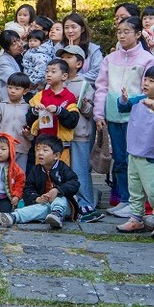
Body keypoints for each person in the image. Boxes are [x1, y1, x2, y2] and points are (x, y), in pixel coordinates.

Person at [92, 16, 154, 218]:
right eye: (119, 31)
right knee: (119, 159)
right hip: (113, 116)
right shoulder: (110, 59)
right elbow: (101, 87)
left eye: (126, 31)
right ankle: (124, 199)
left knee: (135, 160)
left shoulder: (147, 60)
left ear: (138, 34)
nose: (121, 35)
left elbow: (150, 90)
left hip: (136, 117)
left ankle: (137, 201)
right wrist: (99, 113)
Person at [113, 64, 154, 237]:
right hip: (133, 153)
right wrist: (124, 99)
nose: (146, 83)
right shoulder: (140, 99)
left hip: (150, 157)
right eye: (146, 79)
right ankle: (136, 218)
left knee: (153, 190)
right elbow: (123, 107)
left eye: (152, 81)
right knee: (135, 189)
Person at [0, 134, 80, 229]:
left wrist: (57, 190)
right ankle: (13, 217)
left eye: (45, 150)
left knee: (60, 199)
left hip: (64, 206)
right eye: (38, 149)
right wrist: (37, 198)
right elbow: (28, 189)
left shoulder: (63, 168)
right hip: (45, 205)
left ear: (56, 155)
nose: (40, 153)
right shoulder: (35, 170)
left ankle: (57, 214)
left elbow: (74, 184)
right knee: (39, 209)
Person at [58, 45, 99, 222]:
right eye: (63, 57)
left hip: (80, 134)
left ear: (79, 63)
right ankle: (66, 203)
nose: (65, 60)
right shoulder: (56, 82)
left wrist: (81, 104)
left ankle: (86, 203)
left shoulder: (84, 85)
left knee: (80, 170)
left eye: (69, 57)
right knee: (61, 170)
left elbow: (91, 111)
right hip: (59, 135)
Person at [27, 60, 80, 165]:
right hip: (41, 146)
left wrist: (59, 111)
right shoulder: (40, 95)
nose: (48, 75)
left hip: (61, 147)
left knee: (60, 176)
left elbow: (72, 121)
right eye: (47, 71)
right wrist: (35, 111)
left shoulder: (69, 97)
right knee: (41, 176)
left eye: (53, 72)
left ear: (64, 76)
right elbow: (28, 119)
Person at [0, 72, 32, 171]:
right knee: (2, 174)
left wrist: (29, 134)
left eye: (17, 89)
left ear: (25, 91)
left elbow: (32, 129)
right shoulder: (1, 106)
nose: (12, 91)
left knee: (19, 174)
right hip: (3, 149)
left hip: (21, 148)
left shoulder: (28, 108)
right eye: (10, 87)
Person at [62, 13, 103, 84]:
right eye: (66, 27)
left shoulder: (93, 49)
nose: (70, 31)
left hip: (87, 89)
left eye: (73, 27)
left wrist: (75, 79)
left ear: (82, 29)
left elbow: (97, 72)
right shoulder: (60, 48)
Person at [0, 30, 24, 103]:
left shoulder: (25, 54)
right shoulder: (3, 60)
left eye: (18, 40)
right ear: (7, 49)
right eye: (13, 44)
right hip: (11, 102)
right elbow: (13, 79)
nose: (19, 45)